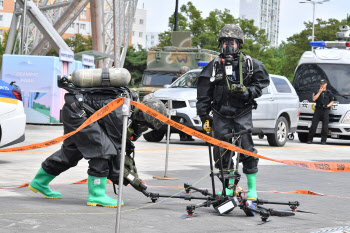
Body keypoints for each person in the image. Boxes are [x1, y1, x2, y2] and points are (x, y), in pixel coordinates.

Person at [28, 84, 166, 207]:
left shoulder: (129, 110)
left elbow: (123, 147)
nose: (143, 129)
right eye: (145, 126)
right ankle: (96, 195)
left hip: (74, 110)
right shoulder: (119, 114)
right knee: (103, 150)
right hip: (78, 113)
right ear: (141, 117)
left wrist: (135, 178)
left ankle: (39, 182)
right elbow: (115, 152)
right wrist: (134, 181)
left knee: (72, 151)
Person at [196, 24, 269, 200]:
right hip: (220, 115)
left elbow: (261, 84)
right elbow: (203, 94)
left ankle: (252, 190)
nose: (229, 46)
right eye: (226, 42)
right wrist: (204, 115)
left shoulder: (251, 64)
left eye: (233, 42)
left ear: (239, 44)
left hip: (242, 113)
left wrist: (247, 92)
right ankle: (229, 188)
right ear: (220, 44)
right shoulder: (213, 66)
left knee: (247, 151)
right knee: (222, 153)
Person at [307, 79, 334, 145]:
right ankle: (310, 139)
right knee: (313, 125)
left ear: (326, 84)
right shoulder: (316, 91)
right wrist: (319, 92)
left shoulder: (329, 92)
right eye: (321, 84)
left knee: (325, 127)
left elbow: (332, 101)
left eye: (323, 84)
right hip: (318, 110)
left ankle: (323, 140)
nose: (322, 85)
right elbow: (314, 99)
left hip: (325, 110)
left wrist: (328, 105)